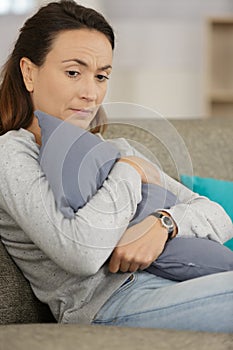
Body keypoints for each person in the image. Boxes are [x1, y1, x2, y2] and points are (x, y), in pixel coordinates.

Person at [0, 0, 232, 332]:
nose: (91, 93)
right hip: (111, 302)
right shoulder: (11, 155)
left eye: (101, 76)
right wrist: (131, 172)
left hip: (179, 282)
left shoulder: (117, 150)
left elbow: (218, 216)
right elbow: (82, 254)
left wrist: (164, 223)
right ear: (29, 72)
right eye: (73, 73)